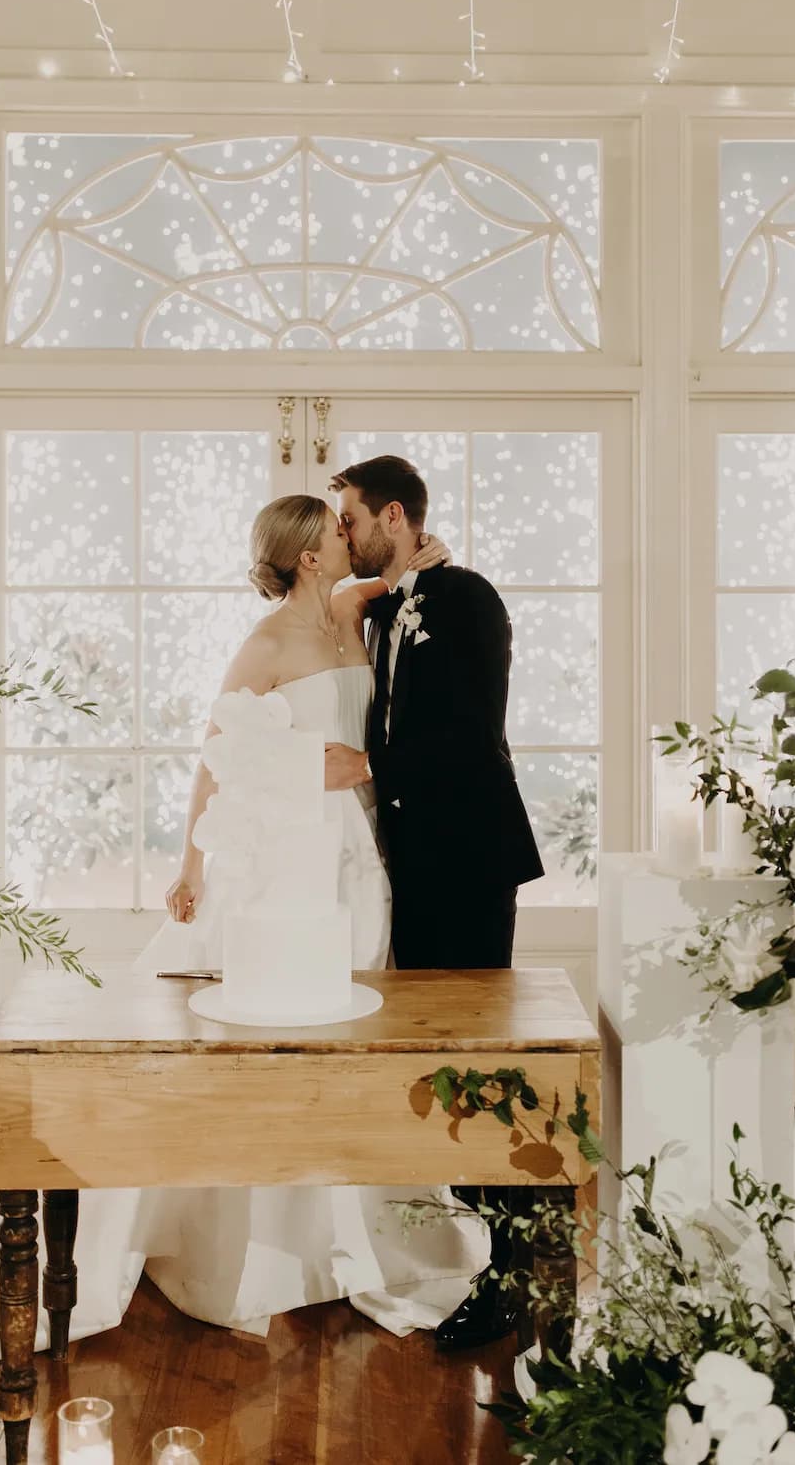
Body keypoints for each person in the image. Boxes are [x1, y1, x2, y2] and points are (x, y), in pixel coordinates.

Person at [0, 494, 487, 1353]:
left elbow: (400, 586)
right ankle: (246, 1239)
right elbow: (216, 752)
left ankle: (344, 1228)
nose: (350, 537)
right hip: (291, 853)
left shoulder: (353, 611)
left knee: (348, 1032)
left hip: (362, 853)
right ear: (308, 554)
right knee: (269, 1030)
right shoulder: (267, 643)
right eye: (338, 531)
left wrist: (418, 560)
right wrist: (192, 865)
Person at [325, 455, 544, 1350]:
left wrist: (369, 766)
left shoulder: (467, 599)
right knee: (434, 1069)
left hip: (466, 863)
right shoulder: (385, 601)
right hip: (412, 870)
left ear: (393, 514)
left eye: (349, 520)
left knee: (484, 1069)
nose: (341, 535)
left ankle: (520, 1274)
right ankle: (468, 1248)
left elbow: (468, 731)